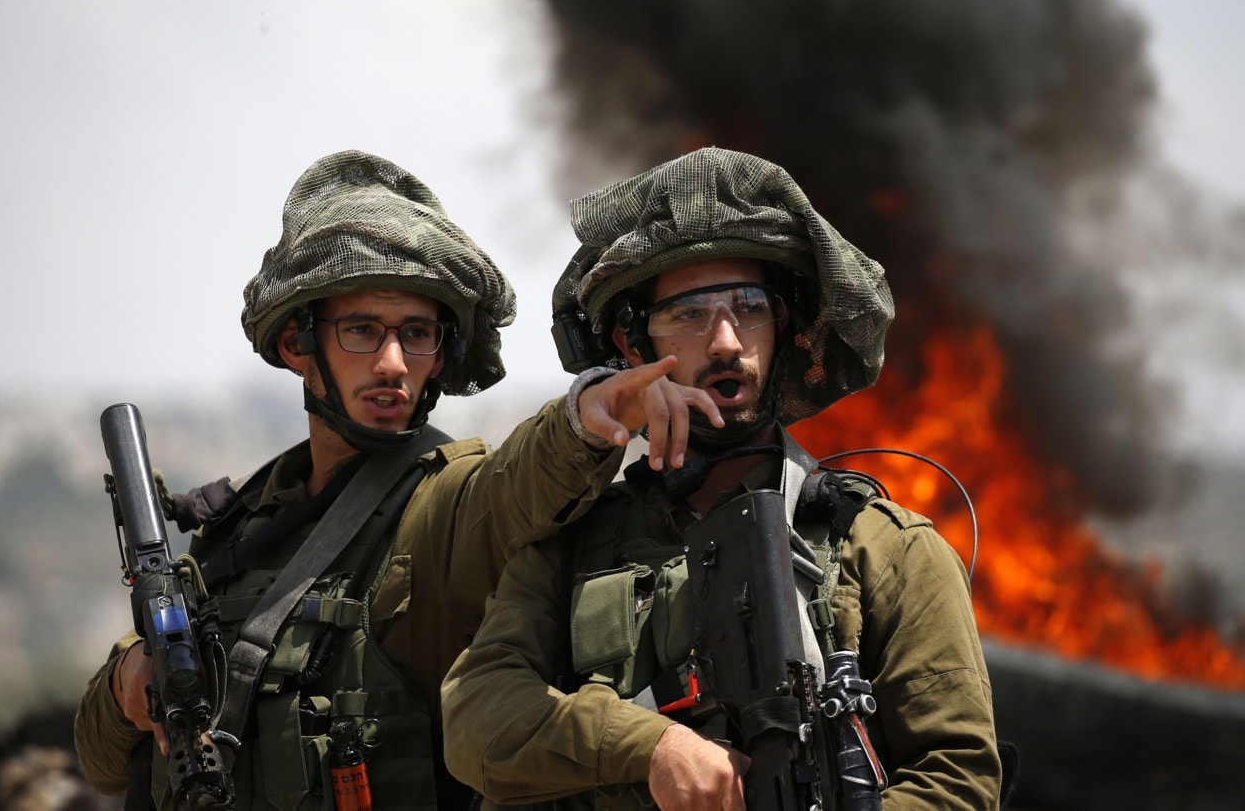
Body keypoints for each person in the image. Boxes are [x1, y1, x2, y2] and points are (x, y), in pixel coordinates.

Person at [73, 150, 720, 810]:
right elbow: (100, 762)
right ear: (298, 344)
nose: (391, 363)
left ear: (441, 353)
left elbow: (511, 488)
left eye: (416, 333)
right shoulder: (240, 528)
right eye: (361, 330)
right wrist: (132, 676)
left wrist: (587, 415)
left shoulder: (437, 507)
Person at [441, 147, 1004, 809]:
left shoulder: (886, 549)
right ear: (631, 345)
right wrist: (650, 746)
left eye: (750, 307)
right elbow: (475, 717)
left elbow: (959, 783)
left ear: (783, 326)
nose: (728, 341)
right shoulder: (572, 544)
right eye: (689, 314)